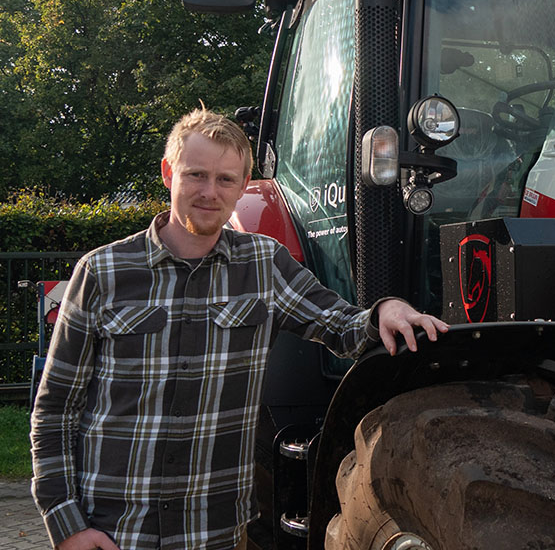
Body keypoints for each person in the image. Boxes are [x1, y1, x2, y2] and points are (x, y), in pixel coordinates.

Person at [30, 108, 449, 550]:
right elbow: (56, 408)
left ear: (243, 185)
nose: (210, 192)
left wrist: (387, 309)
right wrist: (67, 524)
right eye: (196, 175)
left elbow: (342, 325)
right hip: (115, 532)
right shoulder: (103, 272)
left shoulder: (264, 265)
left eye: (226, 179)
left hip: (213, 534)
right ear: (168, 173)